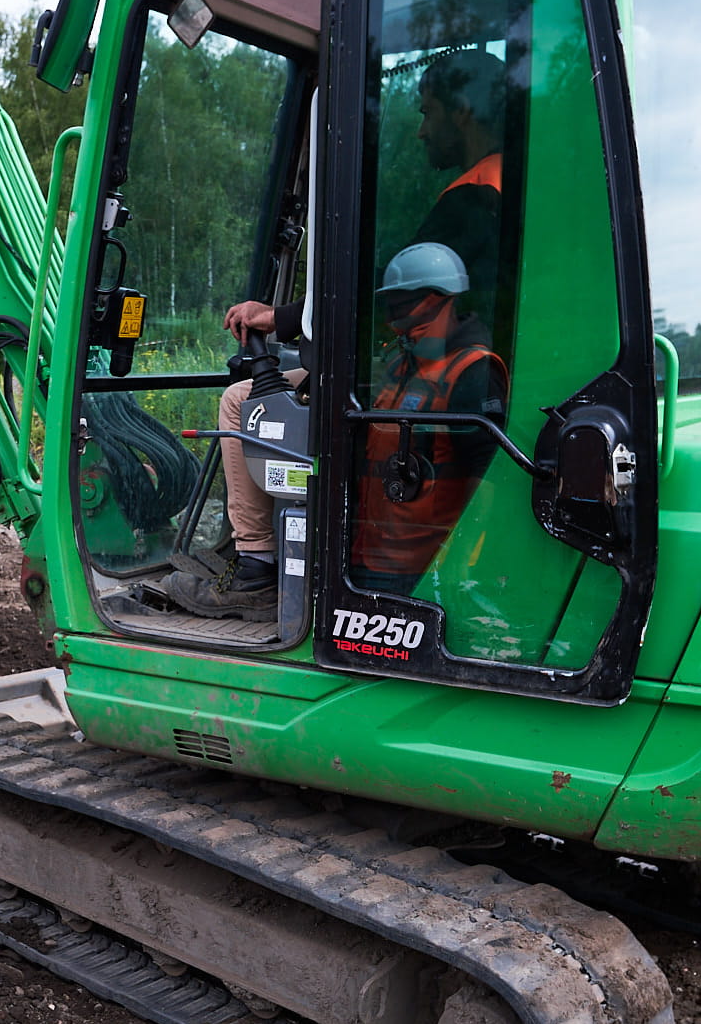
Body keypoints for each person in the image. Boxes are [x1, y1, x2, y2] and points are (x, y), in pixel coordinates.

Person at [169, 48, 507, 619]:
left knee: (240, 402)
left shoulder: (472, 198)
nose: (421, 131)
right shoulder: (504, 185)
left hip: (415, 364)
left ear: (464, 110)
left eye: (428, 113)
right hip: (429, 355)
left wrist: (282, 319)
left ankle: (257, 565)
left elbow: (387, 298)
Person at [349, 242, 507, 588]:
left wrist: (459, 560)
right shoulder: (398, 365)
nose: (392, 319)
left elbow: (487, 476)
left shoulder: (472, 372)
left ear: (437, 300)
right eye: (391, 305)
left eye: (402, 304)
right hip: (372, 555)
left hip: (426, 570)